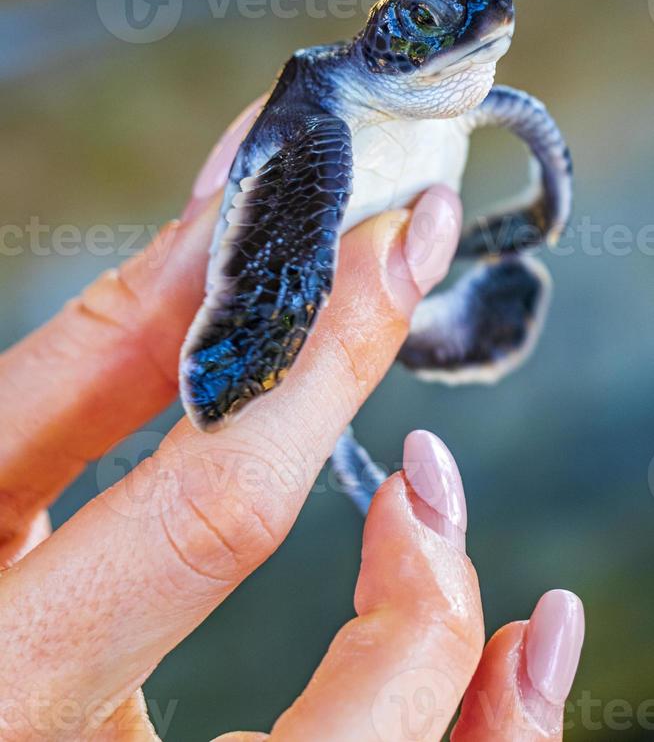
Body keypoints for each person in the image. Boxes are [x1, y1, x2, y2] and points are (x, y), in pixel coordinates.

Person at [0, 101, 584, 741]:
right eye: (422, 17)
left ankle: (436, 332)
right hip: (322, 272)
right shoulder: (328, 99)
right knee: (289, 406)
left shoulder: (468, 87)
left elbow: (531, 131)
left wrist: (541, 208)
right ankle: (339, 363)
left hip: (384, 260)